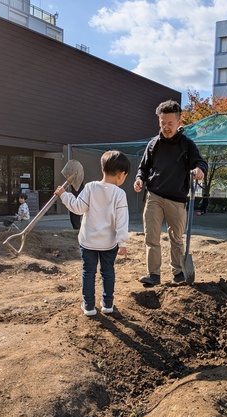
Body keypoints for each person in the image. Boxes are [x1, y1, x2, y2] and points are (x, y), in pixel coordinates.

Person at [133, 99, 208, 285]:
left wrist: (199, 170)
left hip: (177, 199)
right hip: (154, 195)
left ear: (179, 122)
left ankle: (178, 273)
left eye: (170, 123)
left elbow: (200, 162)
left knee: (176, 238)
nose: (166, 127)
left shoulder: (187, 144)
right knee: (151, 236)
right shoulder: (153, 144)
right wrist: (139, 179)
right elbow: (143, 168)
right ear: (159, 121)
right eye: (163, 123)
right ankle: (153, 275)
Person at [55, 150, 130, 316]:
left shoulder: (90, 187)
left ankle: (89, 305)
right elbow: (122, 221)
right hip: (109, 243)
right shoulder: (120, 194)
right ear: (121, 174)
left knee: (88, 273)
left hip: (88, 242)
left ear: (102, 169)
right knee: (108, 272)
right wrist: (122, 243)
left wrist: (64, 195)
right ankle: (108, 304)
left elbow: (77, 208)